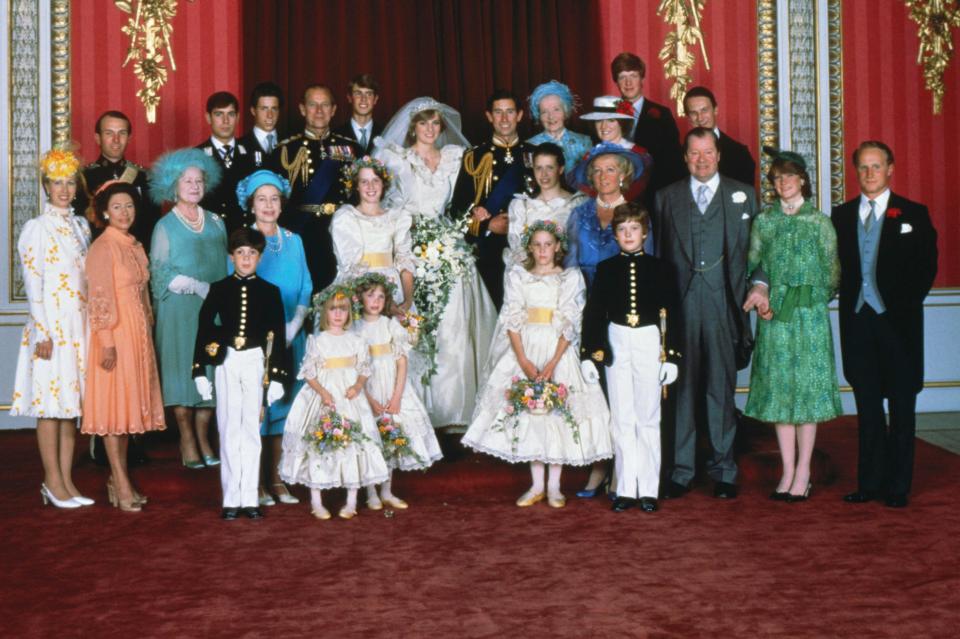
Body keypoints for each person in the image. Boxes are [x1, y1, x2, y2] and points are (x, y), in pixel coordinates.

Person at [463, 221, 613, 507]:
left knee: (556, 414)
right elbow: (511, 317)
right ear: (529, 248)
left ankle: (555, 487)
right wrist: (522, 359)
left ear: (557, 247)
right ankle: (536, 486)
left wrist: (554, 362)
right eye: (537, 245)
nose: (543, 250)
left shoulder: (569, 277)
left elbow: (570, 321)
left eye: (548, 244)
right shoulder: (518, 275)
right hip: (526, 347)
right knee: (530, 413)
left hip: (558, 349)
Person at [653, 127, 766, 500]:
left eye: (708, 153)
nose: (701, 160)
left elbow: (761, 255)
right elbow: (658, 257)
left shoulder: (744, 197)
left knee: (721, 387)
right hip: (682, 307)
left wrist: (760, 285)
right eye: (694, 154)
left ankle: (724, 470)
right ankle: (682, 470)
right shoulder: (666, 198)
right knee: (681, 389)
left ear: (718, 155)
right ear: (685, 157)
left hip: (725, 304)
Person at [373, 96, 496, 427]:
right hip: (409, 242)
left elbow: (464, 200)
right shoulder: (395, 159)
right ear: (413, 126)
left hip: (447, 243)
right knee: (413, 323)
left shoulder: (455, 158)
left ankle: (455, 409)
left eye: (435, 123)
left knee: (453, 321)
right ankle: (415, 411)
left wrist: (478, 211)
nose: (430, 129)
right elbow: (381, 202)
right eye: (424, 123)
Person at [832, 141, 938, 508]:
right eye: (863, 167)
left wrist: (899, 308)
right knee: (868, 408)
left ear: (890, 168)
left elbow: (926, 268)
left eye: (876, 166)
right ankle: (869, 482)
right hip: (858, 324)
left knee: (902, 408)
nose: (869, 174)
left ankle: (898, 486)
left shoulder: (914, 214)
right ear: (856, 171)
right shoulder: (841, 217)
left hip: (899, 326)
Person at [743, 148, 842, 502]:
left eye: (789, 176)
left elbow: (833, 274)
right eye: (776, 177)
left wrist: (808, 300)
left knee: (807, 395)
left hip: (810, 318)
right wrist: (762, 291)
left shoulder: (820, 223)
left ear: (803, 179)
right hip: (774, 318)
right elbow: (753, 266)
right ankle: (787, 470)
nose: (782, 183)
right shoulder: (765, 221)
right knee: (779, 393)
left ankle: (804, 472)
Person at [581, 203, 679, 513]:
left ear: (645, 233)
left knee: (649, 417)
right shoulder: (607, 269)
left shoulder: (662, 269)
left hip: (650, 340)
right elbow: (594, 313)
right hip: (617, 340)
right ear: (615, 235)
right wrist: (590, 354)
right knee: (622, 417)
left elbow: (673, 313)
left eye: (634, 229)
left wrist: (672, 357)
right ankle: (625, 488)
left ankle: (649, 489)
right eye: (622, 230)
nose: (628, 234)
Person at [11, 149, 94, 509]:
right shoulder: (36, 228)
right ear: (46, 186)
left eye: (69, 182)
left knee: (69, 407)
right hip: (52, 329)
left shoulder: (81, 226)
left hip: (78, 326)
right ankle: (51, 481)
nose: (63, 188)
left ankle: (66, 481)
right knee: (49, 406)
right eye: (56, 182)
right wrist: (43, 331)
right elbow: (33, 281)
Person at [81, 182, 165, 512]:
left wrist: (148, 327)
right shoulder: (103, 247)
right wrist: (106, 342)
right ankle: (120, 480)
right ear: (104, 212)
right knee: (114, 411)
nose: (124, 212)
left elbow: (142, 293)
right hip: (115, 334)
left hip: (136, 333)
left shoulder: (132, 244)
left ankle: (120, 478)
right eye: (117, 207)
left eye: (129, 206)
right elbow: (99, 299)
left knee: (128, 408)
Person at [193, 228, 287, 520]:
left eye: (252, 253)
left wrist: (277, 377)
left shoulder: (270, 292)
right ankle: (231, 498)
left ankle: (250, 497)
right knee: (229, 427)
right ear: (231, 256)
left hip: (255, 361)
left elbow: (277, 336)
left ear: (259, 257)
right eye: (240, 252)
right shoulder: (219, 289)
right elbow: (205, 328)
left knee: (251, 430)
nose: (246, 258)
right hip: (228, 362)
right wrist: (200, 370)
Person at [234, 170, 312, 507]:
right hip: (256, 342)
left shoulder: (294, 240)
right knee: (258, 410)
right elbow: (235, 291)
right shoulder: (242, 243)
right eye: (261, 199)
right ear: (250, 205)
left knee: (285, 409)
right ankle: (255, 484)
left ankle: (278, 480)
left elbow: (307, 285)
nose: (268, 205)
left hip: (291, 339)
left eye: (274, 199)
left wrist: (296, 321)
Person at [279, 284, 389, 520]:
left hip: (350, 397)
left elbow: (363, 369)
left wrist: (358, 385)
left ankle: (351, 501)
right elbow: (309, 373)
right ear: (325, 313)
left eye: (343, 310)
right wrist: (323, 393)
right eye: (333, 309)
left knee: (354, 444)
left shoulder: (356, 340)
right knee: (318, 444)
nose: (338, 314)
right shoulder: (317, 341)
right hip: (325, 397)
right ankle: (316, 501)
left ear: (349, 313)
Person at [149, 148, 228, 469]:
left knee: (210, 371)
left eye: (199, 180)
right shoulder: (164, 226)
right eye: (187, 180)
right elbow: (158, 272)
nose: (194, 186)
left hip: (213, 309)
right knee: (182, 373)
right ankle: (186, 439)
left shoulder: (217, 222)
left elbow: (226, 262)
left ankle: (204, 436)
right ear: (173, 184)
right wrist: (192, 285)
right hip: (178, 310)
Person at [352, 273, 442, 510]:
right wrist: (368, 399)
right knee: (370, 437)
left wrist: (396, 396)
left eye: (381, 296)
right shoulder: (355, 328)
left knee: (390, 435)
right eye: (371, 295)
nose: (376, 301)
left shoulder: (391, 325)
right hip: (367, 389)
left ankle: (386, 490)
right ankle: (371, 491)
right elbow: (355, 369)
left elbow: (401, 363)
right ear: (360, 298)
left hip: (390, 386)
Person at [270, 84, 361, 293]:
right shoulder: (285, 150)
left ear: (334, 110)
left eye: (325, 105)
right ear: (302, 109)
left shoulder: (351, 149)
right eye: (313, 105)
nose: (319, 111)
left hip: (341, 234)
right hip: (302, 235)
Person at [451, 89, 535, 309]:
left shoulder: (535, 154)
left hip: (531, 249)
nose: (504, 119)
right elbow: (458, 209)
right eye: (498, 112)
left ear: (520, 115)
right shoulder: (474, 156)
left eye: (510, 112)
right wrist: (487, 224)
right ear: (489, 116)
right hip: (489, 252)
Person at [331, 157, 415, 309]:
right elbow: (350, 267)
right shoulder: (346, 218)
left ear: (384, 183)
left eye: (375, 180)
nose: (371, 186)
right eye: (364, 181)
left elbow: (405, 263)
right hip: (358, 287)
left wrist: (407, 301)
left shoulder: (396, 217)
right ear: (356, 186)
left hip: (392, 288)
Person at [566, 143, 651, 286]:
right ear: (591, 177)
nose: (603, 177)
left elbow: (647, 263)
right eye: (597, 171)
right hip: (580, 292)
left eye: (610, 170)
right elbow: (570, 262)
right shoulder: (579, 214)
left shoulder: (638, 215)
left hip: (622, 291)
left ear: (622, 176)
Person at [78, 110, 159, 247]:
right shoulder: (84, 178)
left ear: (129, 138)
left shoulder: (143, 177)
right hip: (97, 254)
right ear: (98, 138)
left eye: (122, 133)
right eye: (109, 133)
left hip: (135, 253)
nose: (116, 139)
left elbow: (152, 223)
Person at [610, 52, 685, 199]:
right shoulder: (606, 115)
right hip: (615, 196)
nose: (628, 83)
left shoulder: (662, 115)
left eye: (633, 76)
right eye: (622, 77)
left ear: (642, 78)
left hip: (653, 196)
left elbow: (674, 163)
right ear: (616, 82)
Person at [505, 142, 587, 268]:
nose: (544, 175)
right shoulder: (522, 205)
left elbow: (582, 247)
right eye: (539, 168)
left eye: (550, 168)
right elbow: (518, 248)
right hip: (531, 276)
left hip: (568, 275)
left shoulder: (577, 203)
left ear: (560, 169)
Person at [196, 91, 256, 233]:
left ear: (238, 117)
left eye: (231, 114)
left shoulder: (252, 153)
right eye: (218, 114)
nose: (225, 121)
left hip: (245, 237)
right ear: (208, 118)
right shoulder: (196, 156)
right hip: (210, 235)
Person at [577, 95, 654, 202]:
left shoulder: (640, 155)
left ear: (622, 123)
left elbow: (635, 194)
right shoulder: (590, 154)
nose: (604, 126)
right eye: (599, 121)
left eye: (611, 120)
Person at [683, 86, 756, 188]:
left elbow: (745, 199)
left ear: (715, 110)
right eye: (693, 113)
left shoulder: (739, 153)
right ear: (688, 117)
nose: (700, 118)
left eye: (704, 110)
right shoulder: (678, 155)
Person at [525, 80, 592, 171]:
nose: (551, 117)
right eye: (544, 112)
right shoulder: (529, 145)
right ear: (539, 116)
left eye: (556, 109)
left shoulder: (584, 142)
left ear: (566, 112)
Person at [333, 74, 384, 156]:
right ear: (349, 98)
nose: (363, 99)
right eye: (358, 93)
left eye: (369, 94)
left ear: (375, 99)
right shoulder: (336, 135)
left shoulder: (385, 134)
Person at [240, 82, 284, 169]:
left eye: (274, 109)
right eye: (264, 109)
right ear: (253, 111)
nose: (270, 115)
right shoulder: (239, 147)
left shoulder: (290, 144)